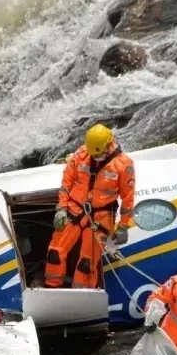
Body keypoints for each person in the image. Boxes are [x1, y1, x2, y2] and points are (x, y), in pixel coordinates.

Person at [45, 123, 136, 289]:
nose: (94, 157)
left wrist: (123, 226)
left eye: (98, 154)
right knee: (55, 254)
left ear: (109, 146)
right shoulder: (82, 153)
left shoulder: (124, 165)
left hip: (100, 216)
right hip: (74, 209)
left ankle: (82, 294)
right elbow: (67, 182)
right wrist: (61, 208)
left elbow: (128, 198)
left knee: (86, 264)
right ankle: (51, 287)